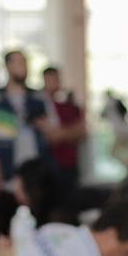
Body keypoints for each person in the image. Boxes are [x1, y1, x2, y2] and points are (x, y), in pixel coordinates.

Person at [0, 50, 51, 181]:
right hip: (5, 167)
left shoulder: (39, 97)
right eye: (20, 62)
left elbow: (52, 131)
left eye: (26, 63)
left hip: (35, 167)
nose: (24, 67)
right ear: (8, 66)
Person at [41, 66, 88, 200]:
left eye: (56, 79)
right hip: (51, 165)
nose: (54, 83)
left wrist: (61, 132)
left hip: (70, 164)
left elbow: (83, 132)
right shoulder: (41, 106)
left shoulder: (68, 106)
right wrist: (71, 131)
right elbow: (52, 137)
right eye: (51, 79)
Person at [102, 88, 128, 166]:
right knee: (125, 154)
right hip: (126, 131)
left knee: (114, 152)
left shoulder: (110, 103)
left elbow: (102, 115)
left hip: (121, 132)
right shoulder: (117, 102)